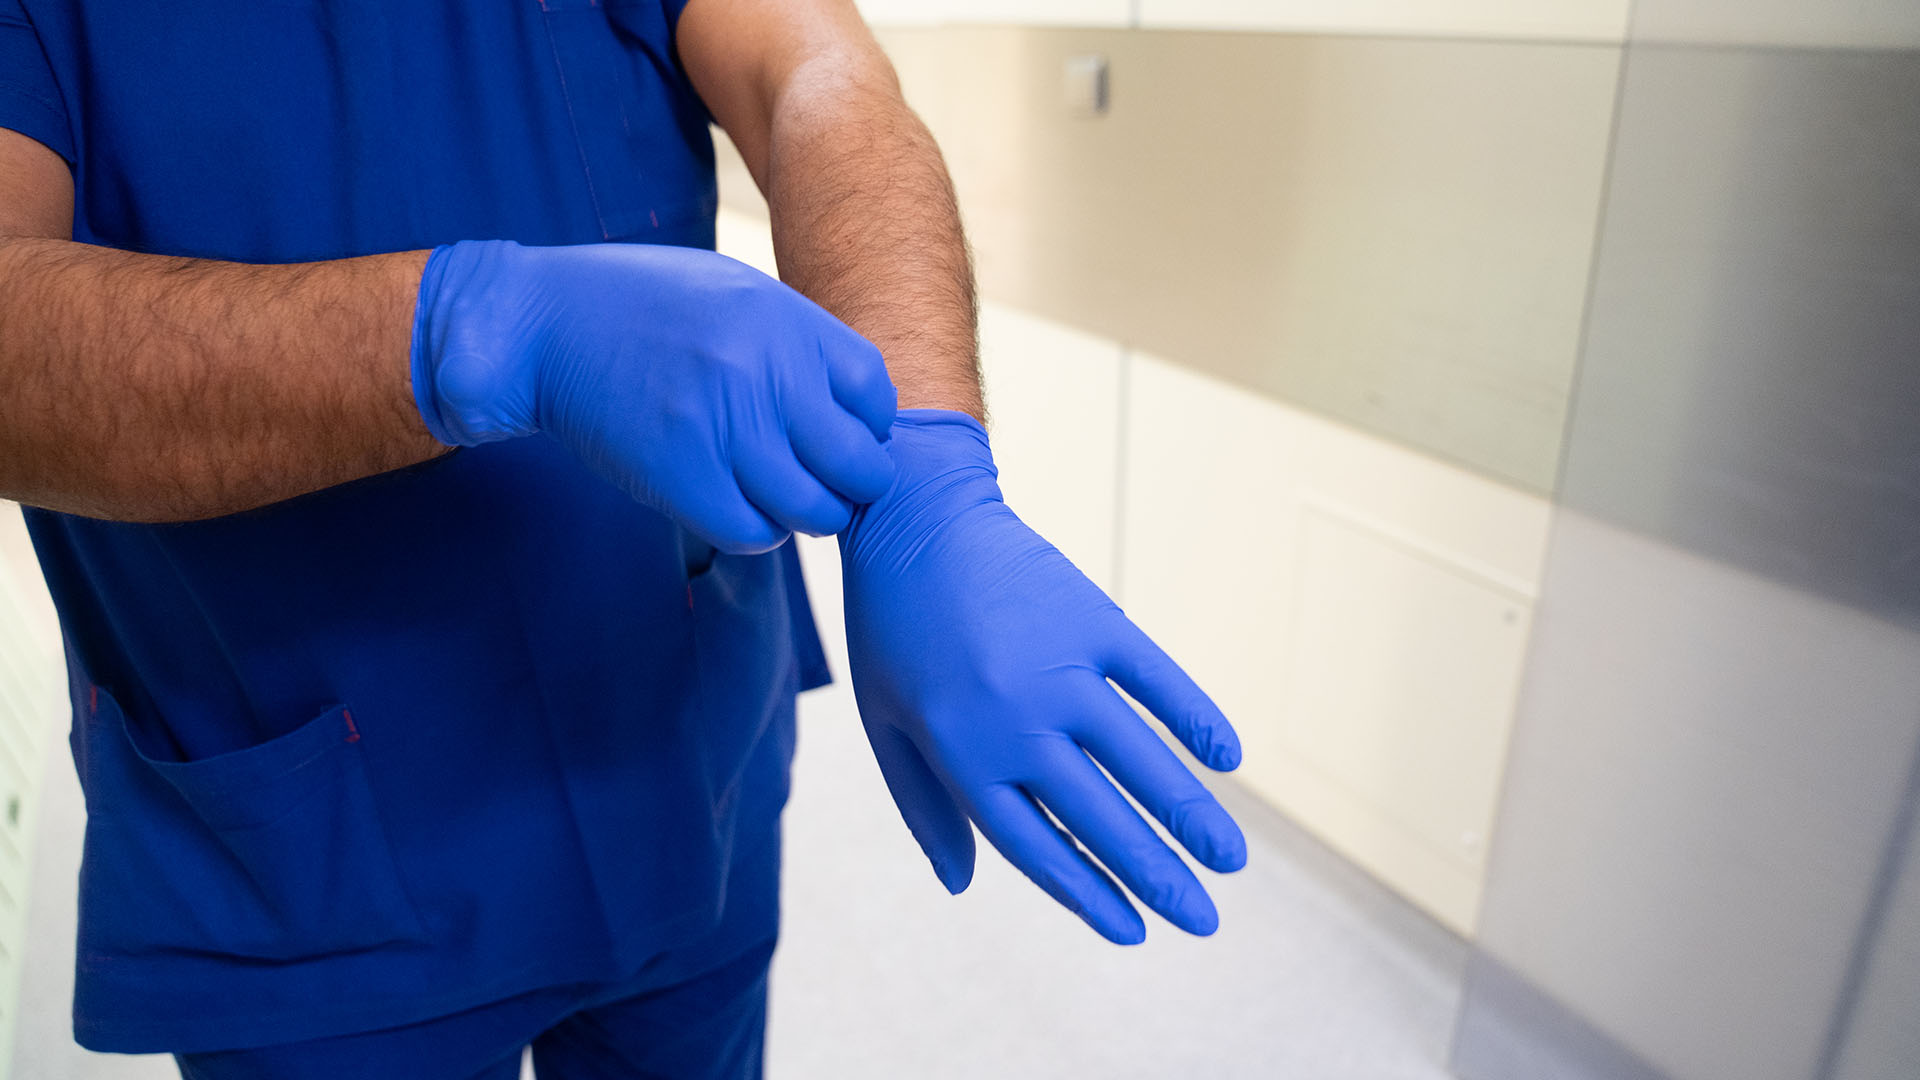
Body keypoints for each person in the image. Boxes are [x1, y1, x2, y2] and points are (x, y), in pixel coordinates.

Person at [0, 1, 1249, 1076]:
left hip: (679, 748)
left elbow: (812, 71)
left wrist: (925, 464)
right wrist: (470, 332)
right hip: (313, 857)